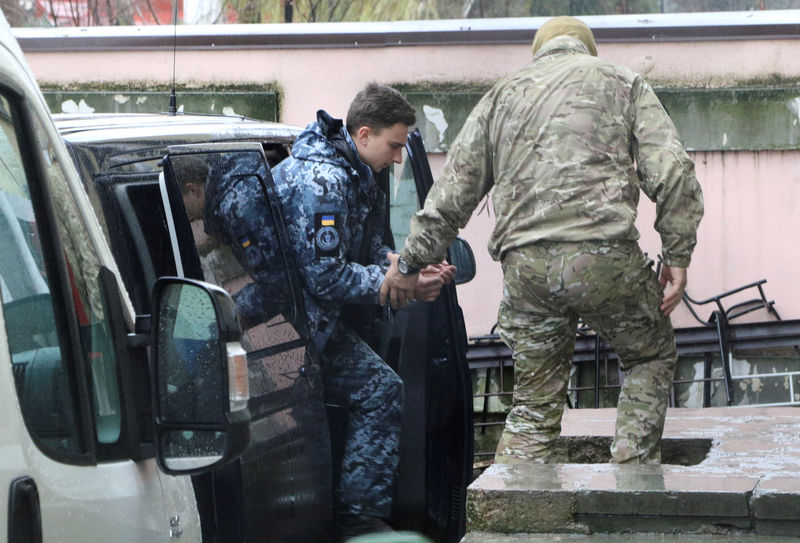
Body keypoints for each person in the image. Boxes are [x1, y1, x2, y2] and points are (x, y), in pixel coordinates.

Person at [381, 16, 704, 465]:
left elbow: (452, 195)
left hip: (526, 270)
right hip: (605, 260)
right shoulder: (623, 83)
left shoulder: (502, 96)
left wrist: (409, 263)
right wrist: (677, 252)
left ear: (539, 53)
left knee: (533, 404)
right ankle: (632, 483)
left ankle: (514, 519)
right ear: (585, 50)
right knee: (649, 354)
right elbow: (673, 171)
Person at [270, 83, 455, 541]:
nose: (397, 158)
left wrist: (402, 265)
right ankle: (357, 519)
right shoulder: (325, 182)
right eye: (394, 146)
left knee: (381, 388)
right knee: (379, 390)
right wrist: (397, 285)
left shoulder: (351, 172)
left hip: (309, 326)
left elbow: (366, 244)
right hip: (284, 336)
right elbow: (325, 277)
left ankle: (358, 513)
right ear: (365, 133)